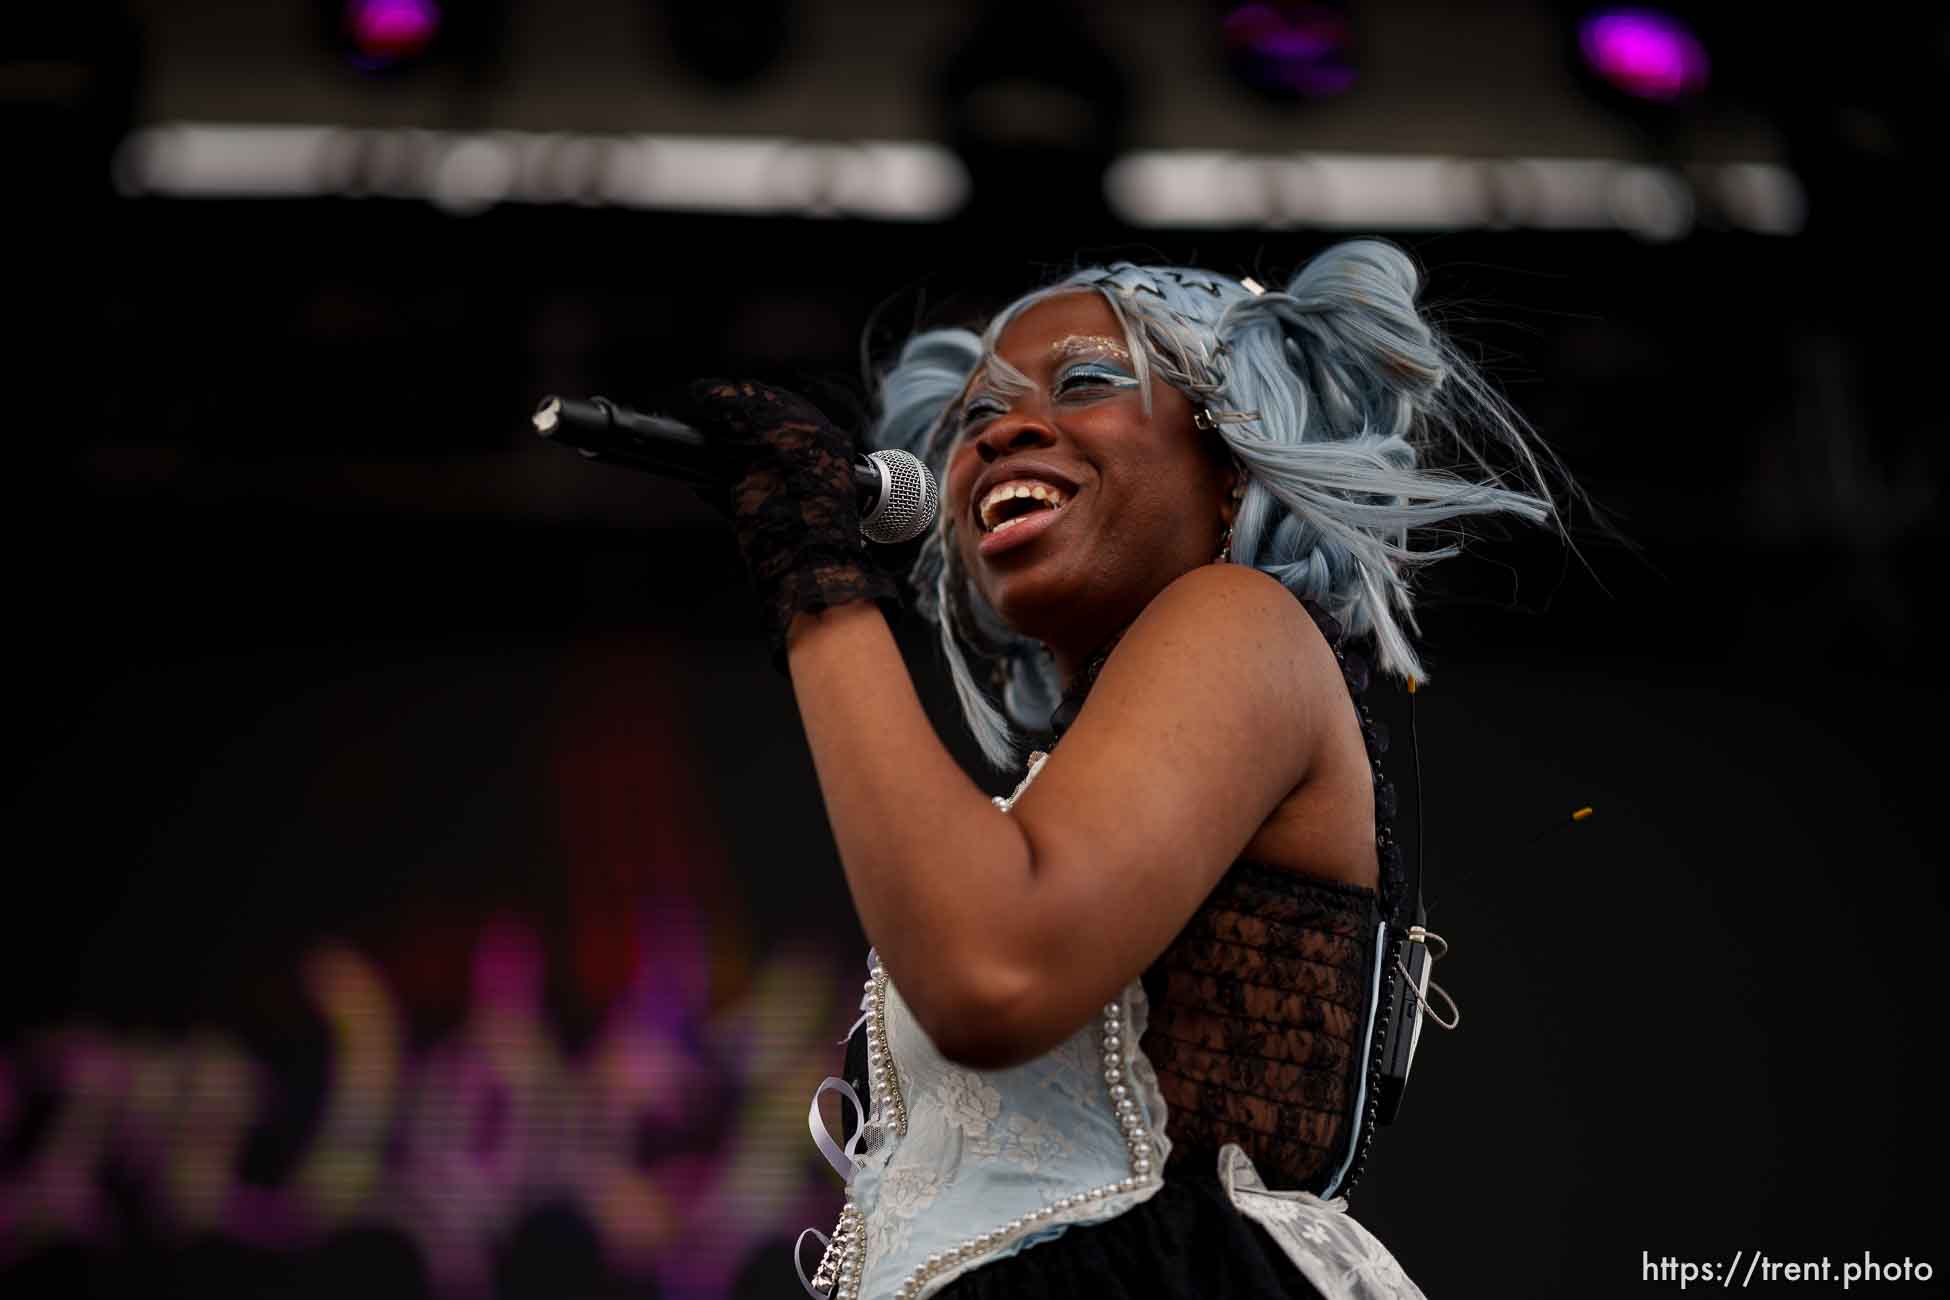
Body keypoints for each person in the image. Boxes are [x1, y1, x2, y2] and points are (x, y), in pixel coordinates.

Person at [674, 239, 1572, 1300]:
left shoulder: (1242, 624)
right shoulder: (1067, 788)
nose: (1003, 428)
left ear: (1230, 459)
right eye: (974, 419)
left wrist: (816, 579)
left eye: (1088, 380)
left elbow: (990, 973)